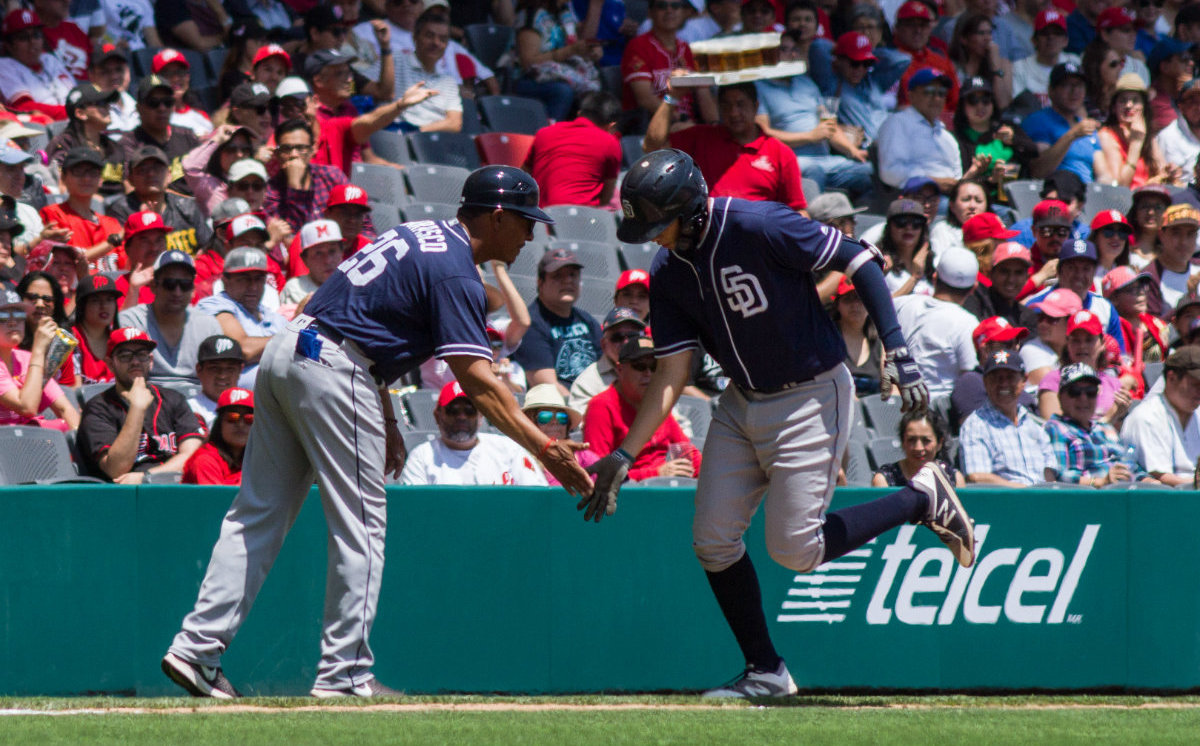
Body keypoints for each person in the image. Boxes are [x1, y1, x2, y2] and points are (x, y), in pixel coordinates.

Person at [163, 165, 591, 699]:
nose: (530, 233)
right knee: (361, 525)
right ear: (498, 215)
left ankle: (196, 647)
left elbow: (361, 317)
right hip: (336, 367)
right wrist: (546, 447)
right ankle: (344, 675)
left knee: (256, 513)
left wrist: (385, 414)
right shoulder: (456, 269)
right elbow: (479, 384)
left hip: (291, 350)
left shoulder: (417, 233)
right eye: (525, 220)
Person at [581, 149, 974, 698]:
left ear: (691, 210)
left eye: (658, 224)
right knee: (713, 540)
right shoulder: (668, 270)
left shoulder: (755, 221)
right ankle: (765, 671)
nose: (652, 238)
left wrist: (897, 349)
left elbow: (859, 260)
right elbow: (673, 371)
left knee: (796, 551)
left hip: (811, 393)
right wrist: (625, 454)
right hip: (742, 402)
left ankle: (919, 499)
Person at [645, 81, 806, 211]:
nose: (734, 113)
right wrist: (672, 97)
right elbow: (652, 146)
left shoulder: (780, 152)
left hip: (760, 240)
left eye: (740, 104)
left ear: (755, 107)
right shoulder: (702, 137)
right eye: (726, 106)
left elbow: (797, 210)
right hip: (710, 236)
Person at [755, 29, 873, 201]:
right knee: (813, 171)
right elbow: (763, 133)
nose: (793, 54)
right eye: (784, 49)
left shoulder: (806, 83)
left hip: (826, 159)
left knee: (869, 172)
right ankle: (811, 224)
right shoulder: (759, 87)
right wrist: (810, 136)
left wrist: (853, 150)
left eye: (794, 49)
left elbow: (829, 126)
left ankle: (853, 224)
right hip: (793, 161)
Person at [78, 327, 205, 481]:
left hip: (172, 486)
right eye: (125, 356)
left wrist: (147, 478)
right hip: (124, 495)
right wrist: (136, 409)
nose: (135, 362)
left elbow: (193, 455)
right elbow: (115, 469)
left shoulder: (174, 400)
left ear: (150, 361)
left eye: (141, 355)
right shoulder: (98, 407)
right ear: (111, 364)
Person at [581, 335, 701, 481]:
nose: (648, 373)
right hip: (628, 494)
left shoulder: (657, 401)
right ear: (619, 369)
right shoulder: (601, 406)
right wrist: (656, 474)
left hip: (664, 488)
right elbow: (598, 473)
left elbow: (687, 453)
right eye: (639, 366)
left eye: (654, 366)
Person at [399, 380, 549, 486]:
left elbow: (535, 494)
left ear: (481, 416)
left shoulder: (509, 450)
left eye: (469, 410)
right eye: (453, 410)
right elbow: (415, 509)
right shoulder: (422, 456)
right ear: (437, 415)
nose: (462, 417)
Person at [119, 249, 223, 385]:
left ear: (192, 289)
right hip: (146, 395)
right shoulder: (132, 320)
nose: (177, 292)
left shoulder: (209, 326)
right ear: (154, 286)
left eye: (185, 284)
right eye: (170, 284)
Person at [959, 349, 1057, 486]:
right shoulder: (975, 425)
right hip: (1003, 503)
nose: (1003, 383)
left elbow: (1050, 476)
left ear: (1024, 380)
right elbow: (977, 477)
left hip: (1043, 502)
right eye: (996, 378)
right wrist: (1024, 491)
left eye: (1010, 377)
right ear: (985, 382)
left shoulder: (1035, 425)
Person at [1045, 362, 1153, 486]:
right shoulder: (1055, 428)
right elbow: (1060, 477)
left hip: (1125, 492)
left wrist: (1148, 481)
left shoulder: (1105, 428)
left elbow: (1130, 466)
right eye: (1075, 392)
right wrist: (1102, 482)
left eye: (1090, 391)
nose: (1083, 398)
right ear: (1060, 397)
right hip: (1089, 498)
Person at [195, 247, 288, 390]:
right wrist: (289, 339)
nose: (253, 287)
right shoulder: (213, 304)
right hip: (233, 402)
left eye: (258, 279)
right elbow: (244, 349)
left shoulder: (273, 317)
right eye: (244, 279)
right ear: (225, 280)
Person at [511, 247, 601, 394]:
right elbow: (547, 387)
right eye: (557, 276)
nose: (568, 281)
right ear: (540, 283)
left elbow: (607, 369)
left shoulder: (587, 321)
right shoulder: (531, 325)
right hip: (559, 411)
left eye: (573, 275)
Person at [893, 248, 981, 397]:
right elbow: (970, 378)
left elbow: (875, 307)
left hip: (898, 405)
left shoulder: (902, 304)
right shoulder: (969, 323)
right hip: (942, 411)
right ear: (973, 289)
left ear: (934, 278)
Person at [807, 30, 911, 149]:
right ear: (839, 60)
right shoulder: (831, 82)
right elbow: (818, 46)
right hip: (865, 151)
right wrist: (840, 47)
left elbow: (903, 60)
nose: (860, 69)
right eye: (855, 63)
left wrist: (869, 50)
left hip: (892, 144)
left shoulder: (874, 80)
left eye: (866, 63)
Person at [621, 0, 716, 125]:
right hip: (654, 126)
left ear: (684, 13)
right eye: (662, 6)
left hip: (688, 125)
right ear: (650, 13)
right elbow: (645, 99)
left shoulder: (685, 48)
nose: (669, 10)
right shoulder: (638, 46)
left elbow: (702, 92)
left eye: (676, 6)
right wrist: (678, 119)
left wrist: (714, 123)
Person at [108, 146, 213, 258]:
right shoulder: (120, 210)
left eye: (157, 168)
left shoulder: (187, 206)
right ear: (130, 179)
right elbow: (120, 256)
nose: (151, 174)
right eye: (142, 170)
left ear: (169, 175)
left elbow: (208, 247)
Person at [0, 287, 79, 431]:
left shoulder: (26, 359)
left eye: (18, 315)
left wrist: (84, 444)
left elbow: (64, 409)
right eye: (3, 317)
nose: (13, 322)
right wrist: (38, 349)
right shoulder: (34, 357)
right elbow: (26, 407)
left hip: (31, 444)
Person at [876, 68, 967, 192]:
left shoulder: (948, 138)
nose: (937, 99)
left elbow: (957, 178)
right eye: (929, 92)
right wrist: (932, 181)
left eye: (941, 93)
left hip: (950, 199)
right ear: (911, 95)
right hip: (915, 198)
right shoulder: (897, 123)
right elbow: (890, 172)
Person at [1023, 239, 1125, 349]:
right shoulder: (1037, 305)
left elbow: (1119, 354)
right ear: (1059, 271)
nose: (1079, 275)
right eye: (1072, 268)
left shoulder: (1105, 307)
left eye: (1086, 269)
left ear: (1094, 272)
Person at [1120, 345, 1200, 485]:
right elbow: (1162, 479)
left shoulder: (1197, 414)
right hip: (1165, 501)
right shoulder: (1146, 417)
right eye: (1194, 384)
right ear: (1172, 378)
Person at [528, 90, 622, 209]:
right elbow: (606, 198)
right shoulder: (610, 143)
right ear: (611, 126)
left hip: (539, 219)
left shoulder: (544, 133)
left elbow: (523, 175)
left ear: (579, 113)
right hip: (580, 220)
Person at [1036, 308, 1130, 424]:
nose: (1082, 346)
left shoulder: (1113, 384)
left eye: (1089, 340)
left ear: (1102, 344)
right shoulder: (1054, 380)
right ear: (1067, 343)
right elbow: (1053, 430)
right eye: (1076, 340)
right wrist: (1107, 419)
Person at [512, 0, 602, 122]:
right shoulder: (531, 15)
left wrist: (590, 50)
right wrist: (570, 50)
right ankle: (551, 134)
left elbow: (574, 46)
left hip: (561, 73)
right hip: (527, 78)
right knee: (562, 91)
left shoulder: (565, 13)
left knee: (596, 86)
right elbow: (528, 62)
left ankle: (586, 135)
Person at [952, 78, 1037, 204]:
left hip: (1017, 198)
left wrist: (1014, 139)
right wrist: (991, 179)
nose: (980, 106)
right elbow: (961, 181)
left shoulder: (1007, 127)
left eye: (985, 100)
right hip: (981, 202)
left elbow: (1034, 153)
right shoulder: (958, 138)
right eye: (973, 100)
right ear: (963, 106)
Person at [39, 148, 123, 273]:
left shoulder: (112, 224)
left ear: (100, 179)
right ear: (63, 178)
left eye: (93, 172)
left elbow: (125, 267)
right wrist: (113, 241)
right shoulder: (53, 214)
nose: (86, 179)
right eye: (78, 172)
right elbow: (71, 261)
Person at [263, 118, 352, 234]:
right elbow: (294, 235)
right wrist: (295, 187)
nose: (294, 155)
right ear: (277, 154)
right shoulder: (270, 193)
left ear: (313, 149)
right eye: (286, 149)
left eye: (301, 148)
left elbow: (362, 222)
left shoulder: (332, 176)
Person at [115, 75, 201, 194]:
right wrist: (187, 202)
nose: (162, 108)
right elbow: (131, 188)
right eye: (153, 103)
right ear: (139, 108)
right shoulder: (128, 143)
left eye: (167, 102)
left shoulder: (187, 135)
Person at [1024, 63, 1108, 183]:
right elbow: (1039, 171)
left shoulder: (1086, 126)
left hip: (1088, 194)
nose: (1075, 91)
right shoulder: (1038, 120)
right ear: (1051, 90)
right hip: (1056, 192)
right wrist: (1072, 135)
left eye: (1079, 85)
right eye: (1066, 85)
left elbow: (1103, 174)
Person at [949, 315, 1035, 430]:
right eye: (1008, 344)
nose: (1016, 347)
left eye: (1016, 342)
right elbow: (975, 428)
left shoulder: (1016, 378)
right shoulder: (970, 381)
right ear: (985, 350)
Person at [1097, 73, 1179, 188]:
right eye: (1123, 101)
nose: (1129, 105)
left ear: (1144, 107)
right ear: (1114, 108)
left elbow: (1161, 171)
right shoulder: (1106, 135)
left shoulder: (1147, 135)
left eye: (1135, 100)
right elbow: (1119, 186)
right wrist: (1135, 144)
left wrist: (1170, 173)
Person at [391, 9, 463, 133]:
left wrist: (416, 133)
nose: (436, 43)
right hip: (395, 136)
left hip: (430, 141)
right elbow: (360, 87)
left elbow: (455, 123)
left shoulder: (448, 81)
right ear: (415, 37)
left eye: (442, 39)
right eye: (430, 36)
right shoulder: (395, 60)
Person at [45, 82, 122, 194]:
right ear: (81, 113)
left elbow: (128, 186)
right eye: (101, 103)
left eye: (107, 103)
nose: (108, 107)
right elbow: (63, 187)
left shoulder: (114, 147)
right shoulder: (63, 144)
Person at [0, 9, 76, 121]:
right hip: (43, 128)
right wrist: (71, 112)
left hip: (75, 119)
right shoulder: (4, 66)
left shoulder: (49, 59)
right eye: (23, 37)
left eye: (36, 35)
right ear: (9, 45)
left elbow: (75, 91)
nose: (32, 42)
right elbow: (24, 107)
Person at [568, 306, 646, 412]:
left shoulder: (657, 371)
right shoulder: (587, 383)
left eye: (633, 336)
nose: (626, 342)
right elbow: (584, 426)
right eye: (618, 338)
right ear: (604, 345)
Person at [522, 381, 599, 486]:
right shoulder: (520, 457)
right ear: (529, 421)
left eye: (561, 417)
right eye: (545, 416)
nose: (555, 421)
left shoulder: (585, 457)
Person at [891, 1, 959, 112]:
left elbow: (955, 102)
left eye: (923, 25)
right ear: (897, 28)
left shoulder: (940, 60)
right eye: (911, 24)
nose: (918, 31)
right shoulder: (889, 62)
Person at [871, 409, 964, 487]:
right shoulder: (885, 480)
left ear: (939, 443)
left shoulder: (953, 479)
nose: (918, 448)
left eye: (926, 440)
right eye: (911, 440)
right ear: (903, 442)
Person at [182, 387, 254, 485]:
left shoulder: (258, 459)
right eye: (232, 417)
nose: (241, 424)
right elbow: (215, 500)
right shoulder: (205, 461)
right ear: (220, 423)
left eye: (249, 419)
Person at [1139, 203, 1200, 317]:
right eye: (1176, 233)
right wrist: (1189, 299)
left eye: (1190, 234)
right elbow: (1154, 329)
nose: (1184, 242)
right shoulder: (1149, 277)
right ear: (1161, 235)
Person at [1012, 9, 1081, 106]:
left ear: (1066, 40)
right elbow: (1018, 106)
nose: (1051, 37)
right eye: (1045, 33)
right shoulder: (1020, 68)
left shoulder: (1075, 63)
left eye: (1057, 33)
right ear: (1034, 40)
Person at [1103, 266, 1169, 366]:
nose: (1141, 293)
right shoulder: (1110, 331)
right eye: (1132, 290)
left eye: (1142, 286)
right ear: (1114, 299)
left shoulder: (1155, 324)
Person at [947, 12, 1013, 110]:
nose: (987, 39)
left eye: (989, 33)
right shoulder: (950, 66)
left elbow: (1003, 104)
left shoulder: (1002, 65)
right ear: (964, 39)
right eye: (981, 33)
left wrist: (996, 68)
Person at [829, 276, 882, 395]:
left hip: (876, 408)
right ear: (837, 305)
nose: (855, 305)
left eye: (859, 298)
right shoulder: (830, 338)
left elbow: (891, 385)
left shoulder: (880, 340)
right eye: (847, 299)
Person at [964, 241, 1032, 326]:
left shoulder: (1028, 317)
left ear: (1027, 277)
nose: (1011, 279)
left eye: (1018, 273)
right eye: (1004, 271)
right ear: (991, 273)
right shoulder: (975, 304)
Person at [187, 334, 246, 428]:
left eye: (230, 369)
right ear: (199, 370)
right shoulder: (187, 410)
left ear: (240, 370)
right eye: (214, 368)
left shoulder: (252, 410)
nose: (222, 375)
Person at [281, 220, 344, 306]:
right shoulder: (295, 288)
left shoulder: (355, 285)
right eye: (318, 253)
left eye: (332, 251)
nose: (327, 261)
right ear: (305, 259)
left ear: (341, 253)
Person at [151, 48, 212, 137]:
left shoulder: (201, 115)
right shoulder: (153, 119)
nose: (175, 79)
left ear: (188, 77)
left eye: (180, 72)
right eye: (167, 74)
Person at [877, 198, 930, 296]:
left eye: (916, 222)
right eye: (901, 221)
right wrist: (915, 277)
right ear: (889, 227)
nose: (909, 227)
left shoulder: (932, 265)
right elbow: (883, 307)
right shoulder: (882, 265)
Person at [929, 179, 990, 258]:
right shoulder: (942, 230)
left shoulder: (995, 229)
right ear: (952, 205)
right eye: (966, 199)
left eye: (978, 201)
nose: (972, 206)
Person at [1126, 184, 1171, 270]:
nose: (1151, 212)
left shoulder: (1171, 254)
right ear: (1135, 213)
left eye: (1158, 207)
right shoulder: (1122, 248)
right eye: (1145, 206)